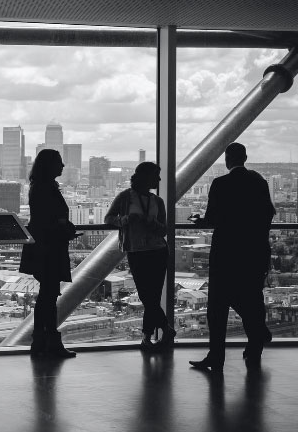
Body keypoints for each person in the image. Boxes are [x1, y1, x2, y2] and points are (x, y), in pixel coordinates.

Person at [189, 142, 276, 372]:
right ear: (245, 157)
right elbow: (268, 214)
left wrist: (200, 222)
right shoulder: (259, 183)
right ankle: (256, 341)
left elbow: (213, 219)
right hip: (254, 252)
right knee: (251, 297)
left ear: (227, 160)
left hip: (226, 253)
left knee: (218, 306)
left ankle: (216, 357)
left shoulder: (221, 184)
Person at [105, 161, 174, 351]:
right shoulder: (125, 198)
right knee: (147, 296)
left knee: (151, 296)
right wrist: (126, 220)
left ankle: (147, 337)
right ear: (146, 177)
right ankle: (164, 330)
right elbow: (109, 219)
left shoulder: (157, 201)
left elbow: (163, 230)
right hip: (138, 251)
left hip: (157, 250)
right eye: (156, 175)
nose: (159, 179)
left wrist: (150, 223)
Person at [19, 149, 79, 358]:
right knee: (48, 296)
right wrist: (65, 227)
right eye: (60, 162)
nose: (63, 166)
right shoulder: (47, 188)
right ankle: (49, 341)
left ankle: (42, 341)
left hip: (43, 247)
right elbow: (50, 219)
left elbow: (42, 219)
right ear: (50, 166)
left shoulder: (39, 187)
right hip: (50, 248)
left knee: (47, 296)